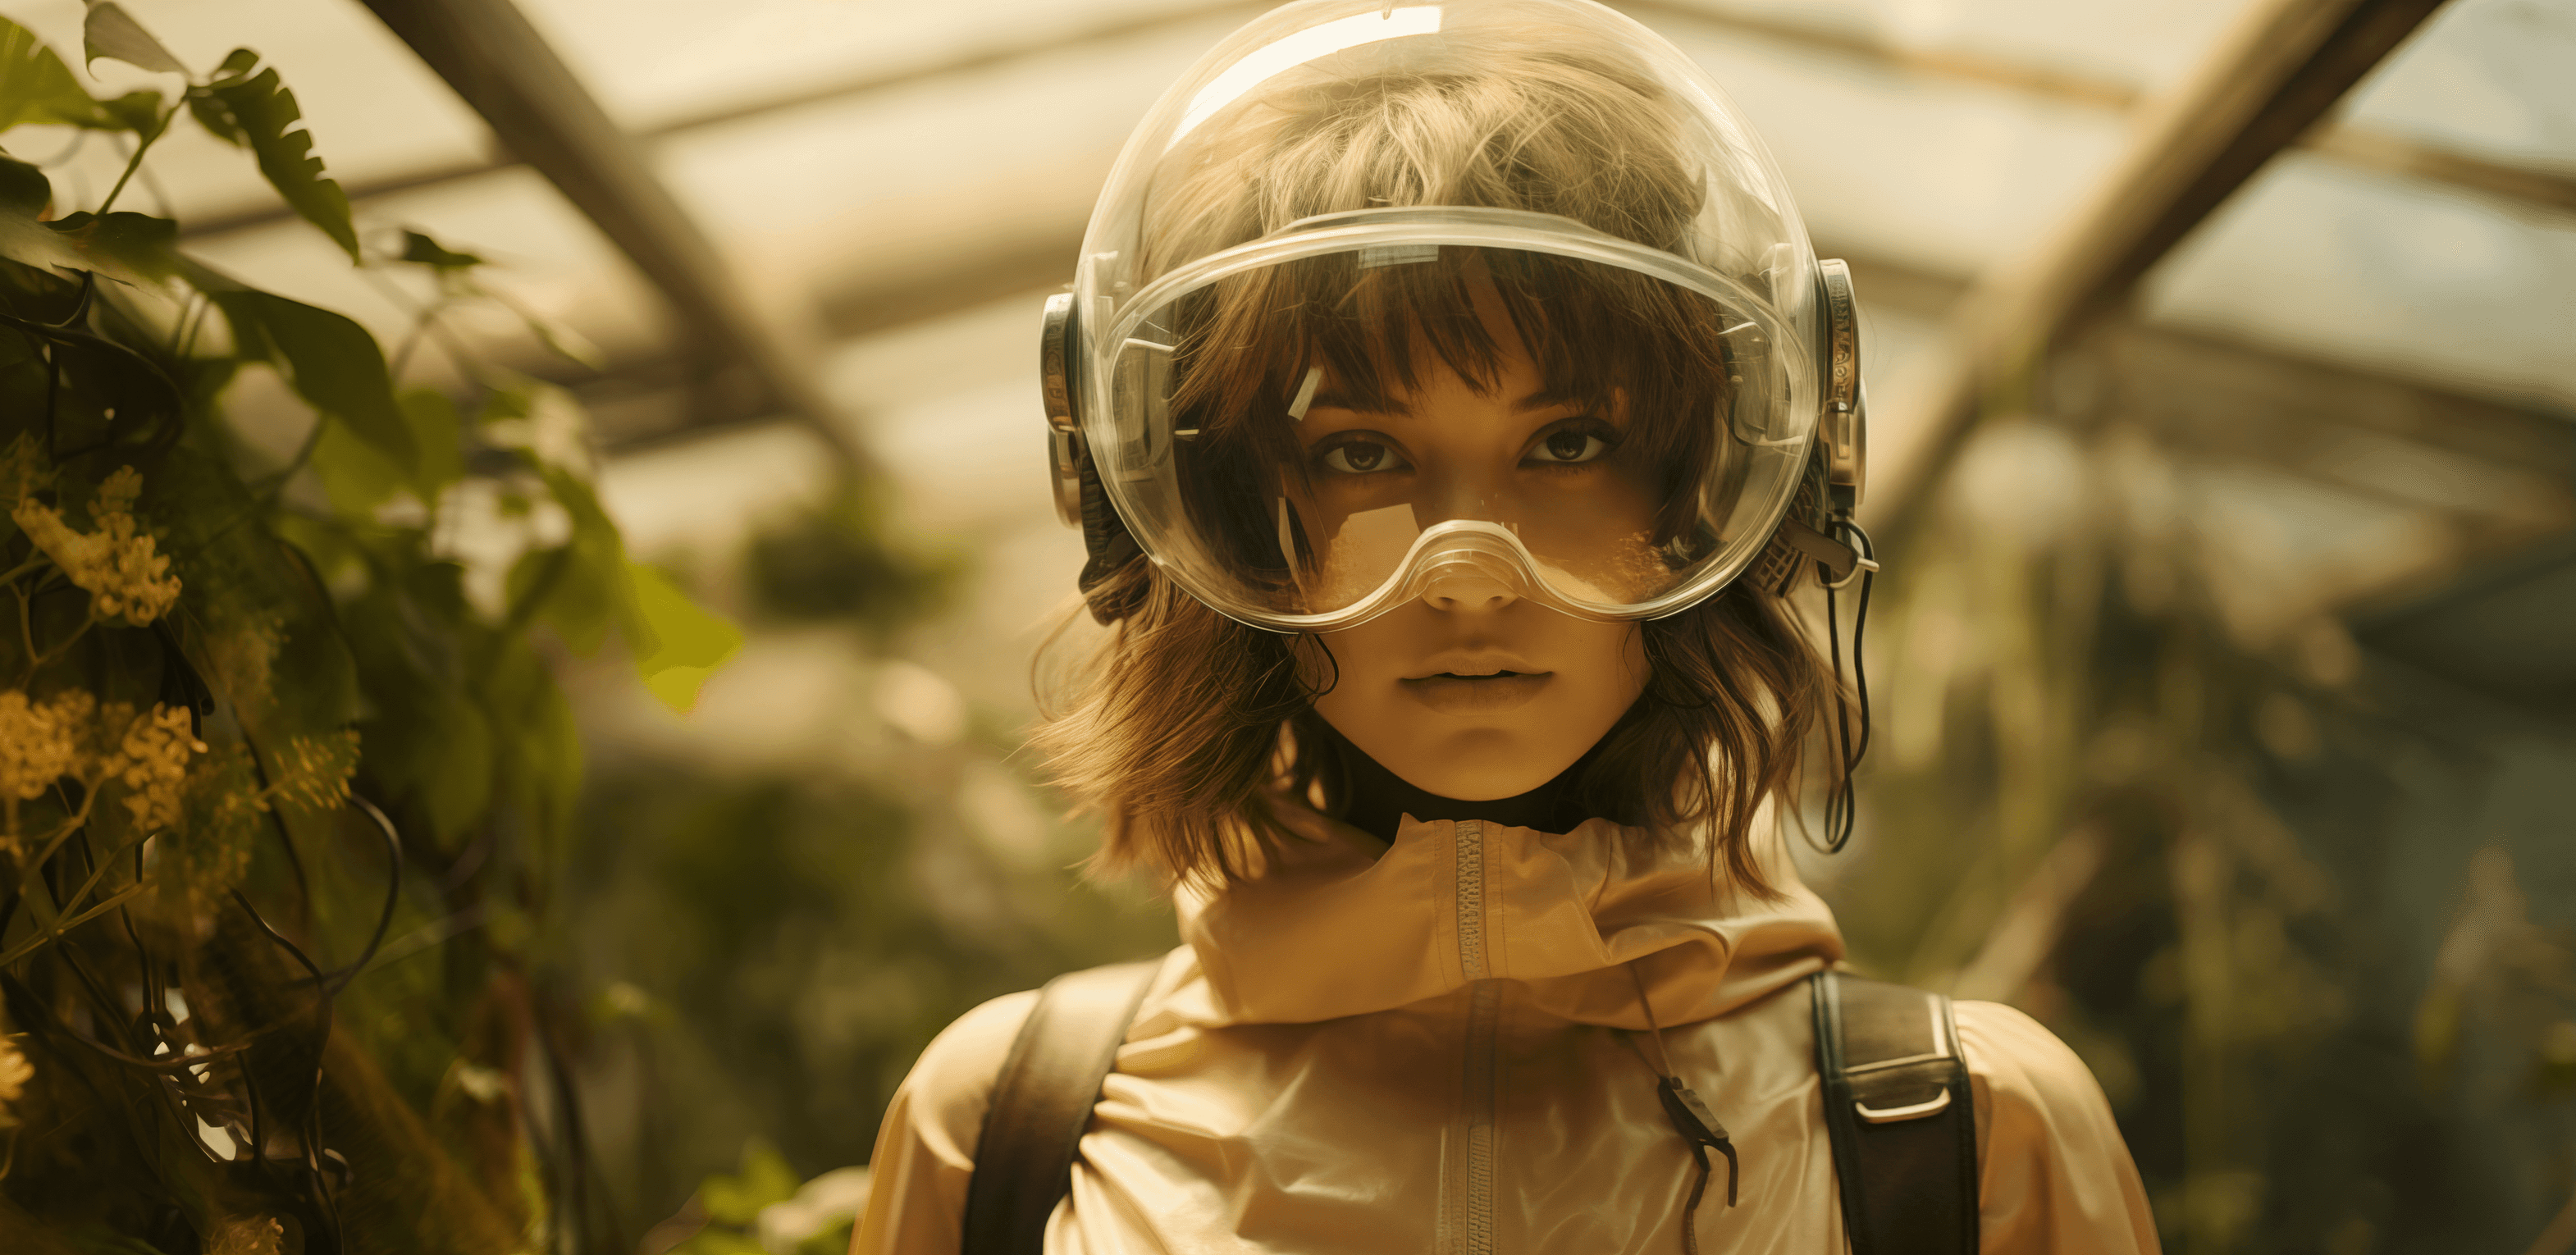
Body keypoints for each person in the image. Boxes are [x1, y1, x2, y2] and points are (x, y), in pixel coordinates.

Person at [847, 1, 2161, 1252]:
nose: (1468, 575)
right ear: (1219, 506)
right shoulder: (1016, 1131)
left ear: (1711, 483)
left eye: (1570, 442)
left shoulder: (1969, 1137)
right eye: (1360, 450)